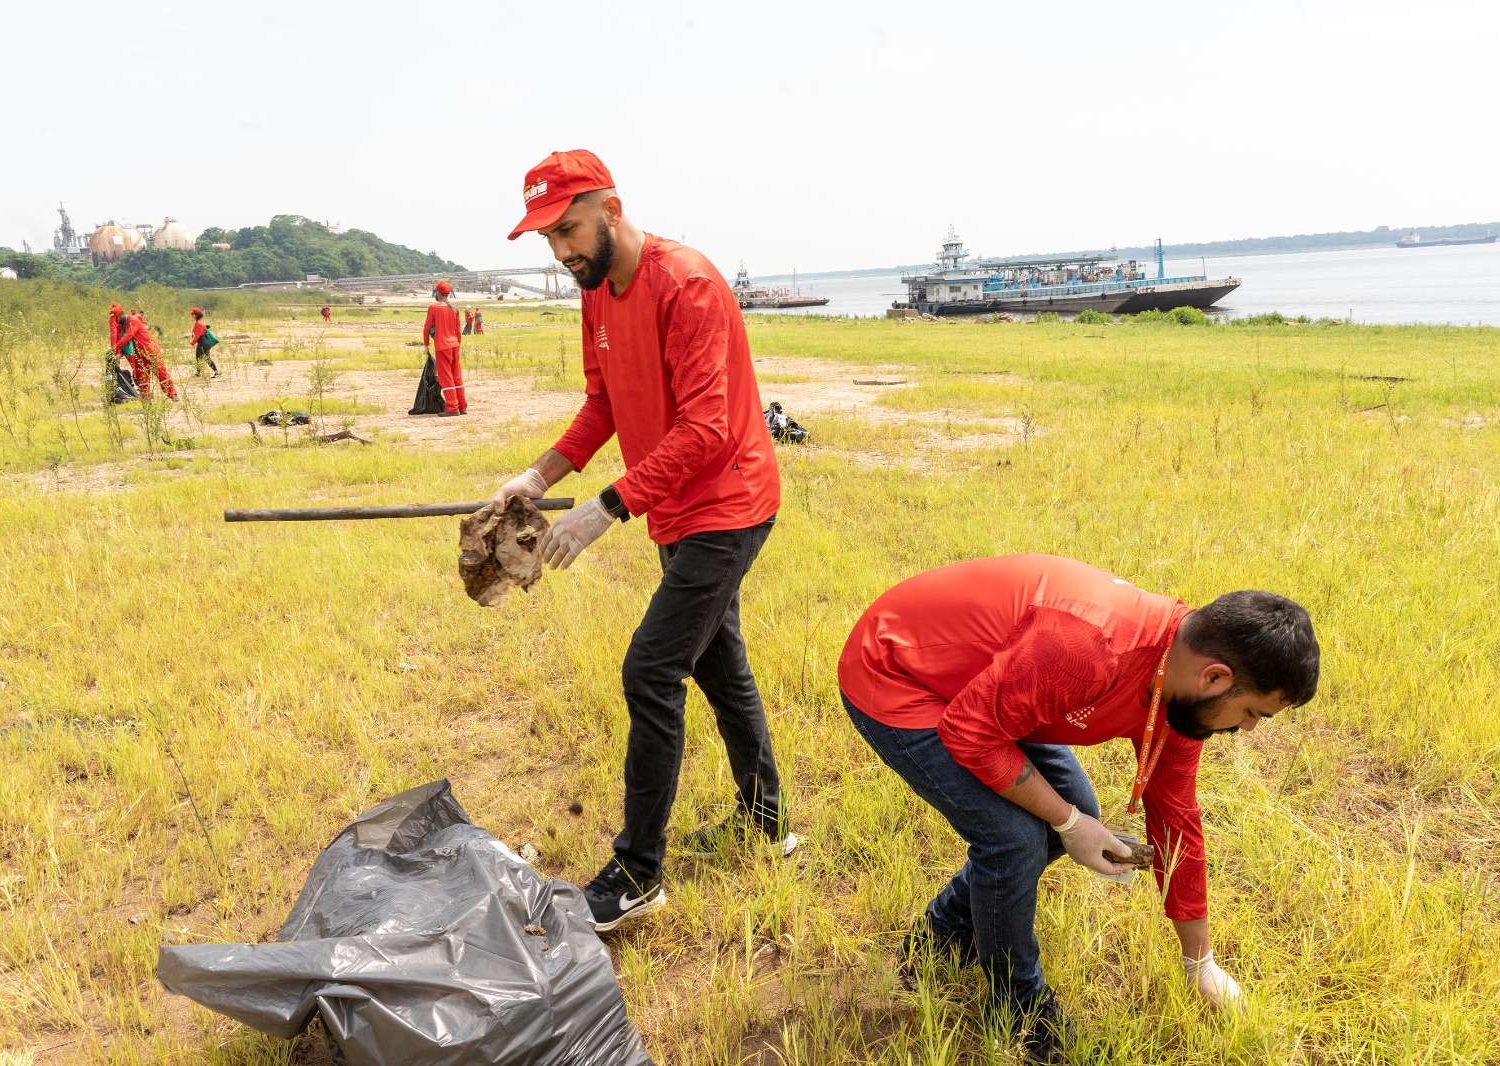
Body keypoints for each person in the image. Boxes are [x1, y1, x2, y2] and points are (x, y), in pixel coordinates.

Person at [836, 555, 1319, 1063]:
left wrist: (1199, 962)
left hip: (994, 687)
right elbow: (971, 732)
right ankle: (1019, 1012)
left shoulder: (1179, 688)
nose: (1247, 731)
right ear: (1215, 677)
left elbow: (1176, 818)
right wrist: (1067, 823)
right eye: (1251, 714)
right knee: (1015, 837)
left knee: (1073, 810)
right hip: (899, 674)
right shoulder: (1091, 644)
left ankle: (936, 938)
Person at [493, 148, 791, 932]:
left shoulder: (685, 283)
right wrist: (539, 475)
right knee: (720, 665)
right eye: (549, 240)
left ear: (611, 209)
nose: (561, 253)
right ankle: (768, 825)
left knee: (651, 669)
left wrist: (604, 509)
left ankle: (637, 871)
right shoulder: (597, 293)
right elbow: (604, 407)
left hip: (728, 504)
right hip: (674, 507)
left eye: (569, 231)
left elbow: (708, 428)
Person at [111, 311, 178, 399]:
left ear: (120, 314)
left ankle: (172, 395)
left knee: (161, 373)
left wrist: (114, 349)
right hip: (139, 354)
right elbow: (125, 342)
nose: (115, 321)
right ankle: (146, 400)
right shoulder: (122, 326)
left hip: (150, 350)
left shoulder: (133, 320)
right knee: (141, 378)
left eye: (115, 318)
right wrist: (119, 354)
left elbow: (127, 337)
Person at [423, 280, 465, 416]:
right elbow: (458, 329)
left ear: (438, 293)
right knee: (456, 375)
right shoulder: (455, 307)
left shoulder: (433, 307)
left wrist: (426, 344)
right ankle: (462, 406)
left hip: (442, 346)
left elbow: (427, 327)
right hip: (454, 345)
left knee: (445, 376)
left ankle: (452, 408)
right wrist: (457, 344)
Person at [189, 307, 220, 378]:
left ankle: (216, 372)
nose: (192, 316)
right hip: (201, 343)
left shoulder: (199, 323)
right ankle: (198, 373)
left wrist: (192, 343)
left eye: (193, 314)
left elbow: (197, 335)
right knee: (198, 357)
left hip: (204, 343)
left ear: (196, 315)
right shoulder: (200, 322)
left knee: (207, 358)